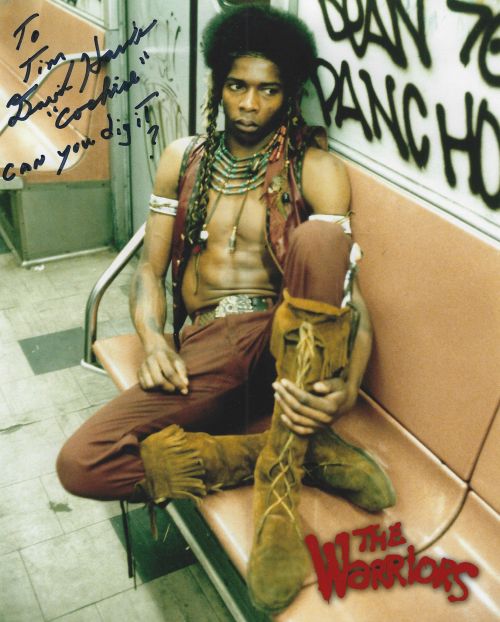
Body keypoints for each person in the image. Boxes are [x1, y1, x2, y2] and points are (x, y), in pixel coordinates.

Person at [57, 5, 395, 614]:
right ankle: (290, 453)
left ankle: (278, 495)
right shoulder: (183, 159)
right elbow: (148, 272)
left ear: (288, 96)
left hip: (287, 347)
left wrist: (347, 387)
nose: (249, 104)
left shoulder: (315, 169)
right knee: (82, 465)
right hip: (209, 352)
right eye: (238, 86)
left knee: (322, 242)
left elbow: (349, 295)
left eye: (268, 90)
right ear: (218, 84)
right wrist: (153, 340)